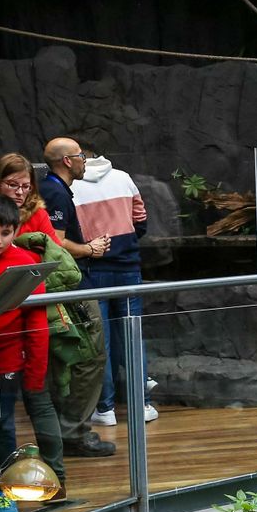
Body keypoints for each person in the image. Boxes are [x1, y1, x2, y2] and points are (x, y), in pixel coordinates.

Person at [0, 194, 55, 512]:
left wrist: (35, 373)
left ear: (16, 231)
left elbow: (37, 324)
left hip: (7, 361)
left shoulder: (25, 264)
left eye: (5, 233)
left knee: (3, 426)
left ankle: (3, 491)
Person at [38, 136, 114, 456]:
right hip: (68, 286)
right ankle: (74, 431)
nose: (85, 161)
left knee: (74, 357)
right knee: (89, 355)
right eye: (81, 156)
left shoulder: (53, 189)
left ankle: (67, 430)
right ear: (67, 161)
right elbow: (55, 241)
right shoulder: (55, 192)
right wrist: (89, 249)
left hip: (62, 286)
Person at [70, 145, 156, 426]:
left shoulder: (72, 187)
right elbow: (140, 221)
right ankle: (141, 404)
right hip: (128, 268)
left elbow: (71, 231)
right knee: (132, 336)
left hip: (93, 270)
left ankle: (105, 408)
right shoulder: (123, 178)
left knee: (100, 340)